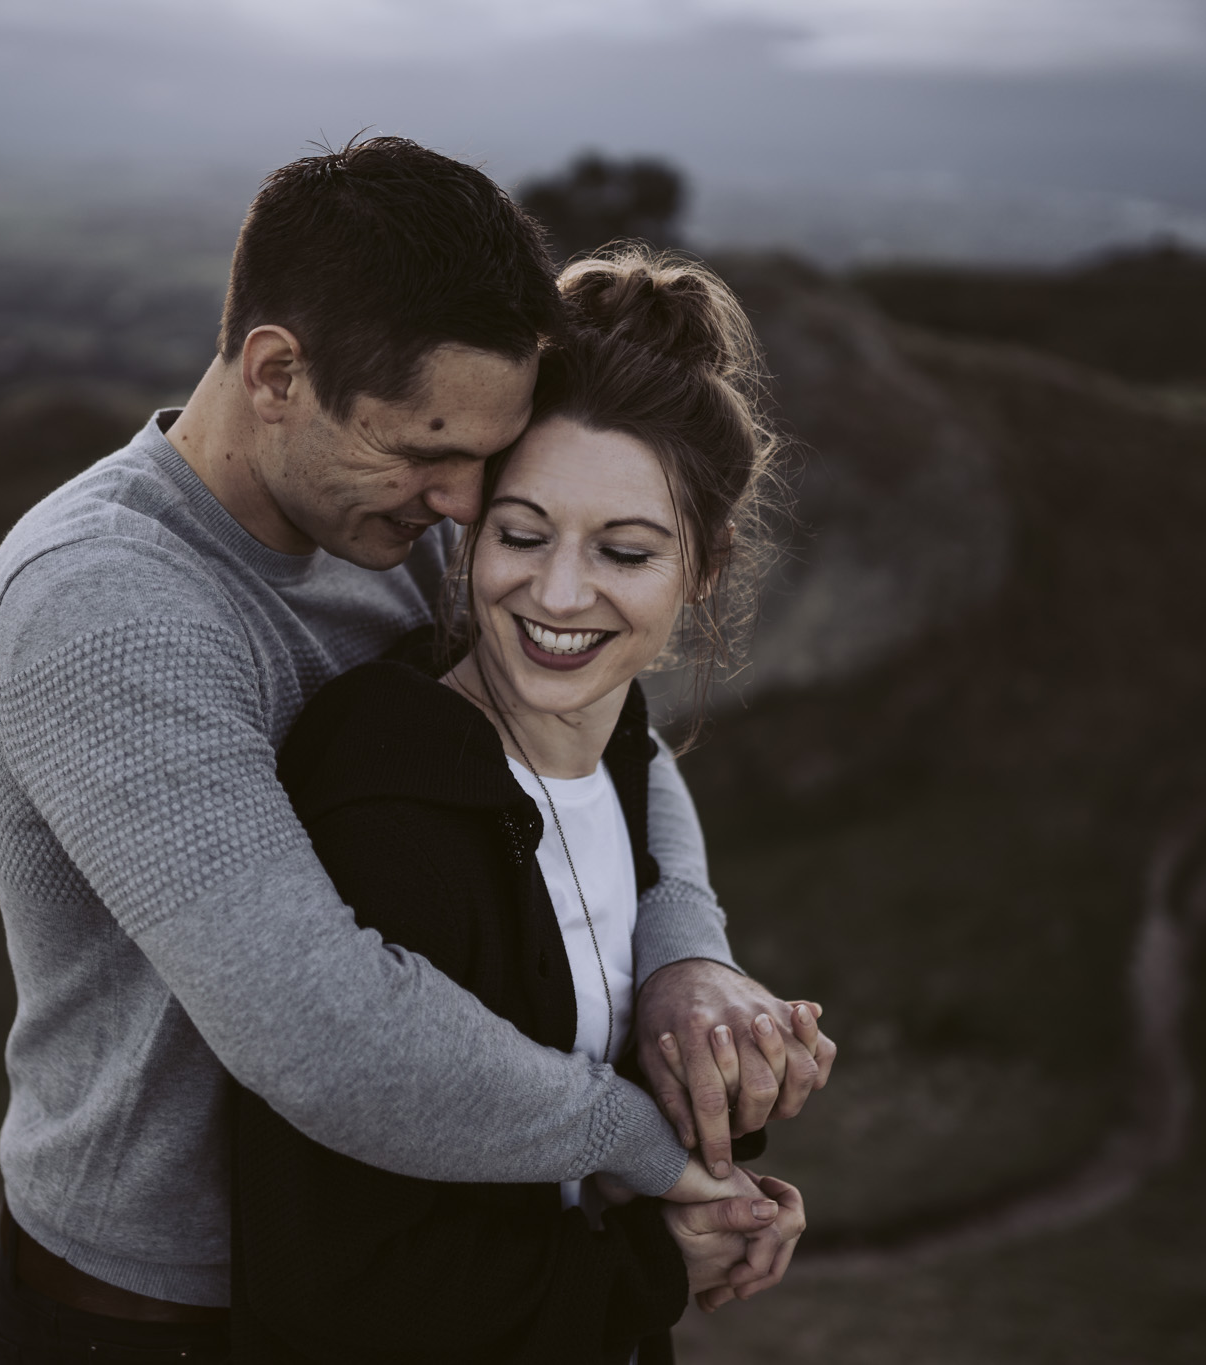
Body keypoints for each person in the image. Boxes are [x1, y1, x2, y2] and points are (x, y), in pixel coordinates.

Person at [0, 137, 833, 1363]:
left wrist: (682, 955)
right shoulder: (107, 608)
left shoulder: (392, 519)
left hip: (434, 1250)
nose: (462, 503)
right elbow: (328, 1032)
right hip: (169, 1307)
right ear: (275, 372)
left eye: (482, 459)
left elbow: (604, 730)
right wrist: (641, 1145)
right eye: (426, 451)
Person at [231, 248, 802, 1365]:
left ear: (702, 567)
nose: (555, 594)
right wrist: (649, 1268)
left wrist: (727, 1131)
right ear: (471, 529)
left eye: (624, 551)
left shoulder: (618, 765)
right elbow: (335, 1285)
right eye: (522, 533)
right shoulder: (389, 794)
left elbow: (582, 1124)